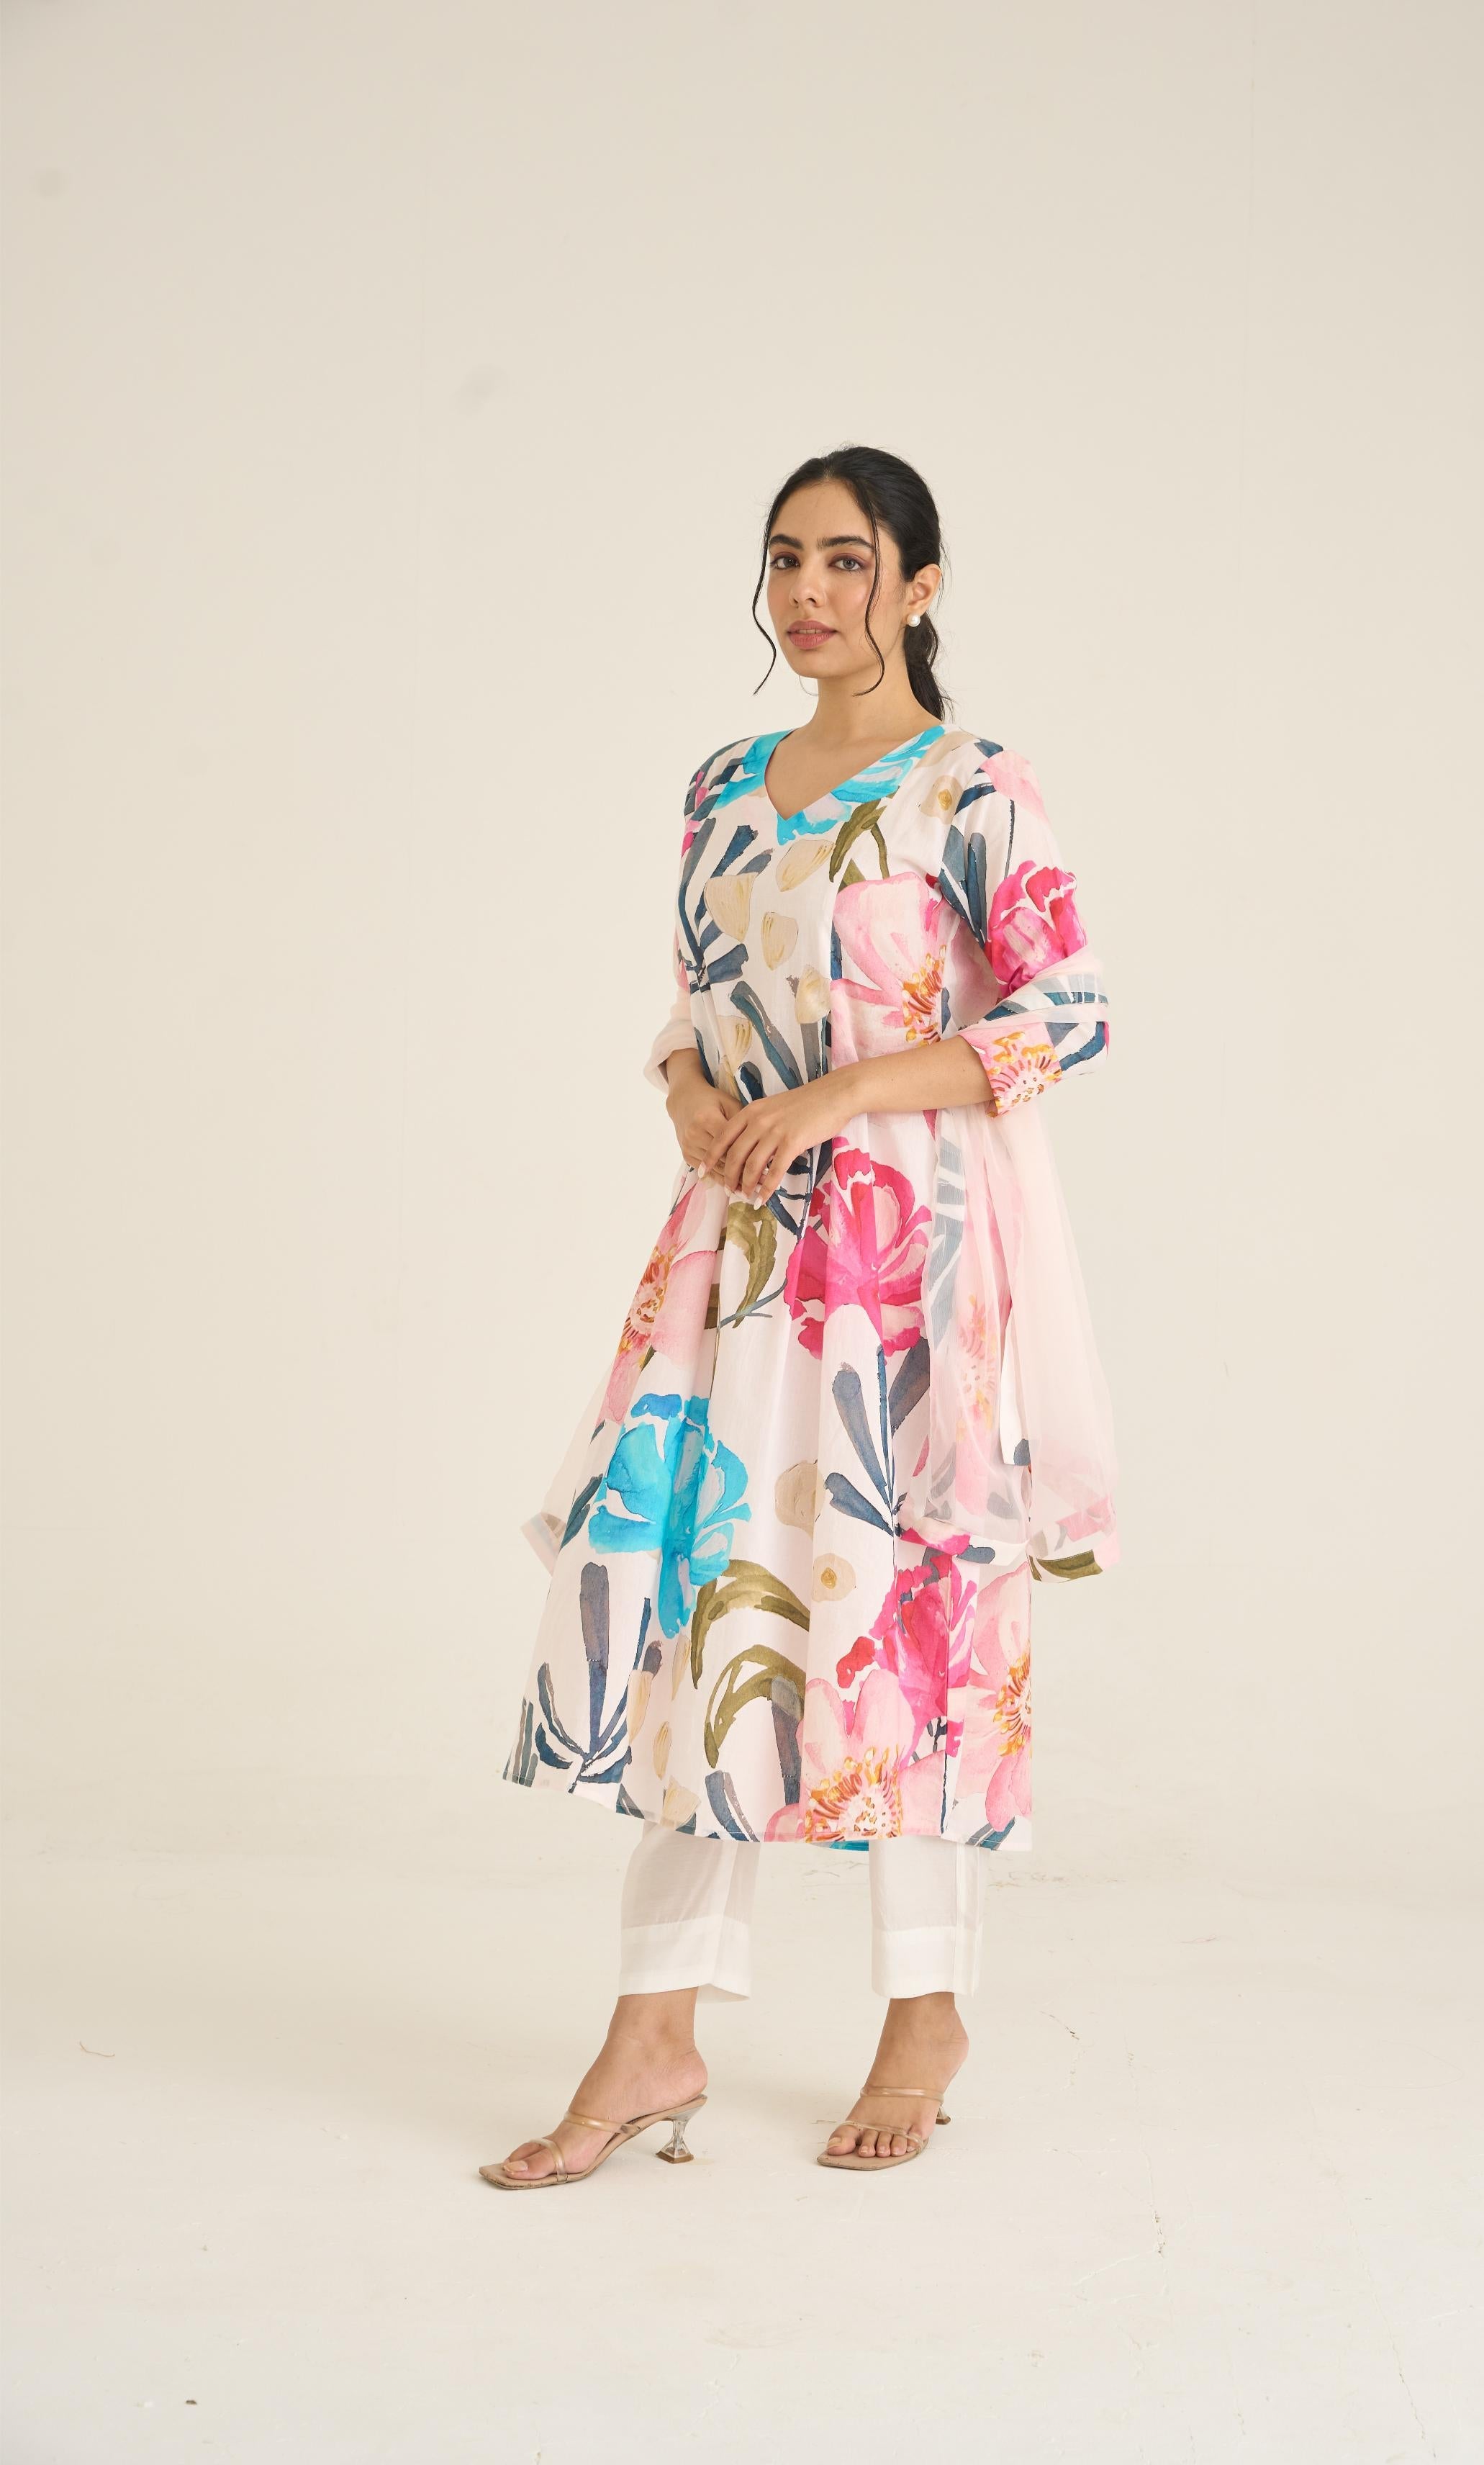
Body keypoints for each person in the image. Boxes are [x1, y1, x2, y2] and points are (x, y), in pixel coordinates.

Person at [482, 443, 1120, 2189]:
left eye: (846, 559)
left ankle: (925, 2010)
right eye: (784, 559)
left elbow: (1064, 1012)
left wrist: (841, 1097)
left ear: (919, 584)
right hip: (741, 1250)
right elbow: (694, 997)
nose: (809, 592)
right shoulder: (722, 785)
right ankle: (653, 2026)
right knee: (710, 1599)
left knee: (909, 1620)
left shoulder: (972, 786)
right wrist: (687, 1090)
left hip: (912, 1263)